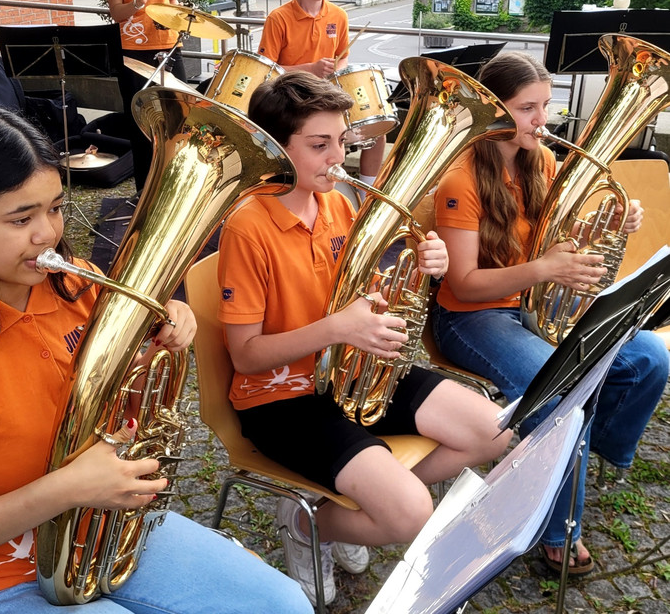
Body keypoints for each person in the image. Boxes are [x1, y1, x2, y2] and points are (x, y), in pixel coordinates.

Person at [0, 107, 311, 614]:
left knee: (282, 603)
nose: (47, 234)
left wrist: (159, 339)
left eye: (54, 208)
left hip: (100, 527)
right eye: (20, 219)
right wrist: (65, 489)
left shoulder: (76, 283)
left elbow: (111, 393)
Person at [217, 72, 511, 605]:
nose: (338, 157)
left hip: (351, 372)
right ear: (275, 148)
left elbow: (366, 293)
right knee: (409, 511)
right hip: (283, 398)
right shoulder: (247, 225)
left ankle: (339, 508)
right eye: (319, 145)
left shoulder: (339, 203)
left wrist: (428, 265)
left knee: (495, 431)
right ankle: (312, 529)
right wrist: (336, 328)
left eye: (342, 142)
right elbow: (244, 354)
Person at [431, 51, 669, 576]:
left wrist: (613, 217)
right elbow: (464, 284)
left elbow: (565, 226)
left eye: (547, 106)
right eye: (527, 108)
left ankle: (576, 452)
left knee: (651, 355)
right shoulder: (460, 181)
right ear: (495, 112)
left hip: (531, 307)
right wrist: (544, 269)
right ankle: (556, 528)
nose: (543, 120)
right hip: (471, 317)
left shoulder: (540, 159)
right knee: (562, 394)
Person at [257, 0, 386, 194]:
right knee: (317, 137)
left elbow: (343, 58)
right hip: (291, 101)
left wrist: (337, 74)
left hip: (326, 96)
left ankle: (366, 194)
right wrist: (310, 69)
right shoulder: (279, 18)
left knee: (376, 129)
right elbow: (267, 73)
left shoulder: (339, 16)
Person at [102, 0, 185, 192]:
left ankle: (173, 188)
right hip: (133, 51)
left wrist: (181, 20)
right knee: (142, 125)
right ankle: (145, 191)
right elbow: (115, 12)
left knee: (177, 120)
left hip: (168, 46)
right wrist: (136, 3)